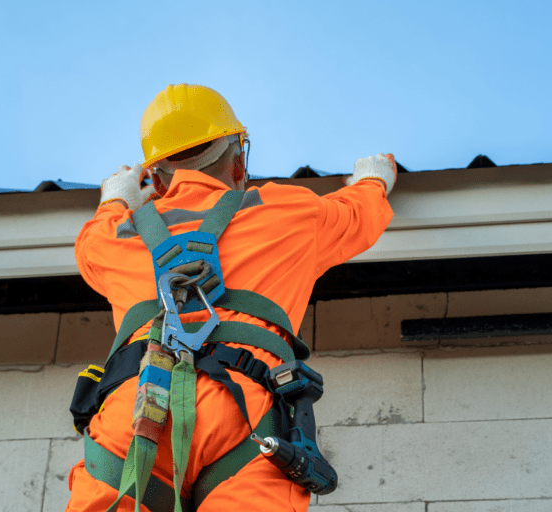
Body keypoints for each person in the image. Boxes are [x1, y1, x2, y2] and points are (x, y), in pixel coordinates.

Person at [66, 83, 396, 512]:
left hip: (138, 411)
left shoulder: (116, 234)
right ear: (238, 160)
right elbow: (359, 214)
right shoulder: (288, 210)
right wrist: (373, 177)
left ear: (156, 179)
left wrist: (116, 199)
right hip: (244, 413)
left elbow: (90, 244)